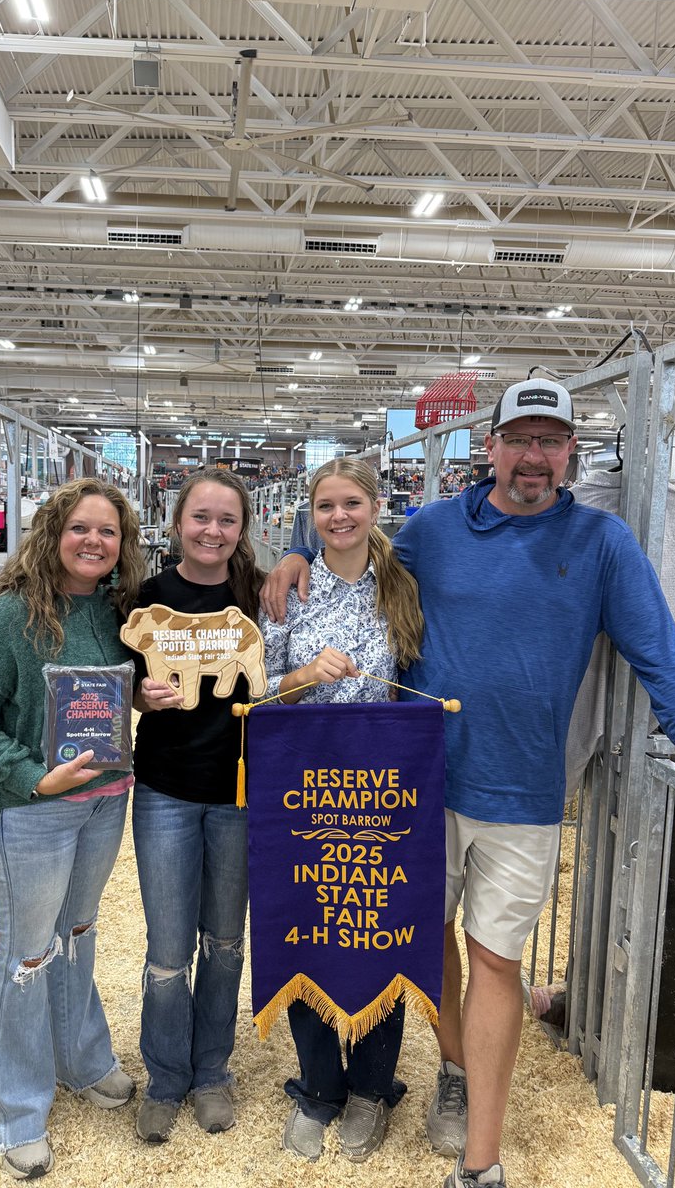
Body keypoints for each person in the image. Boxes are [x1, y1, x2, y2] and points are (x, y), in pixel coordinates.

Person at [261, 379, 675, 1188]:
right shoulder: (434, 529)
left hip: (525, 792)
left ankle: (481, 1163)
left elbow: (662, 659)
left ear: (571, 450)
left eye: (550, 440)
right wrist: (297, 539)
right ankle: (454, 1070)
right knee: (428, 937)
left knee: (496, 958)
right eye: (520, 438)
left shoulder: (603, 542)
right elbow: (348, 522)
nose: (533, 455)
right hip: (418, 783)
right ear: (493, 446)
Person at [0, 477, 145, 1180]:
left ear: (123, 545)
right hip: (32, 810)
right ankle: (18, 1112)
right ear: (53, 533)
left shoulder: (119, 610)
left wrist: (143, 694)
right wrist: (33, 776)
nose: (94, 542)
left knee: (79, 934)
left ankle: (81, 1060)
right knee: (28, 955)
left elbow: (121, 693)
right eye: (81, 529)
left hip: (104, 801)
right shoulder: (9, 617)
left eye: (108, 532)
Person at [258, 458, 423, 1163]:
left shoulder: (405, 586)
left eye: (352, 502)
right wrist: (300, 675)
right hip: (301, 786)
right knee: (308, 928)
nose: (340, 516)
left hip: (384, 789)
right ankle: (320, 1086)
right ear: (310, 514)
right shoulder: (286, 592)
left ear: (377, 505)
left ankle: (370, 1090)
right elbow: (258, 691)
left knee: (377, 932)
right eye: (325, 506)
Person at [130, 468, 265, 1144]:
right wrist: (138, 698)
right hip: (165, 791)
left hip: (240, 794)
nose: (213, 531)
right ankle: (165, 1078)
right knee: (166, 947)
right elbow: (124, 684)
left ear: (242, 529)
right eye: (201, 517)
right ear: (179, 519)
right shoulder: (146, 597)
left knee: (225, 941)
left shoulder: (260, 596)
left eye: (226, 520)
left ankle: (212, 1070)